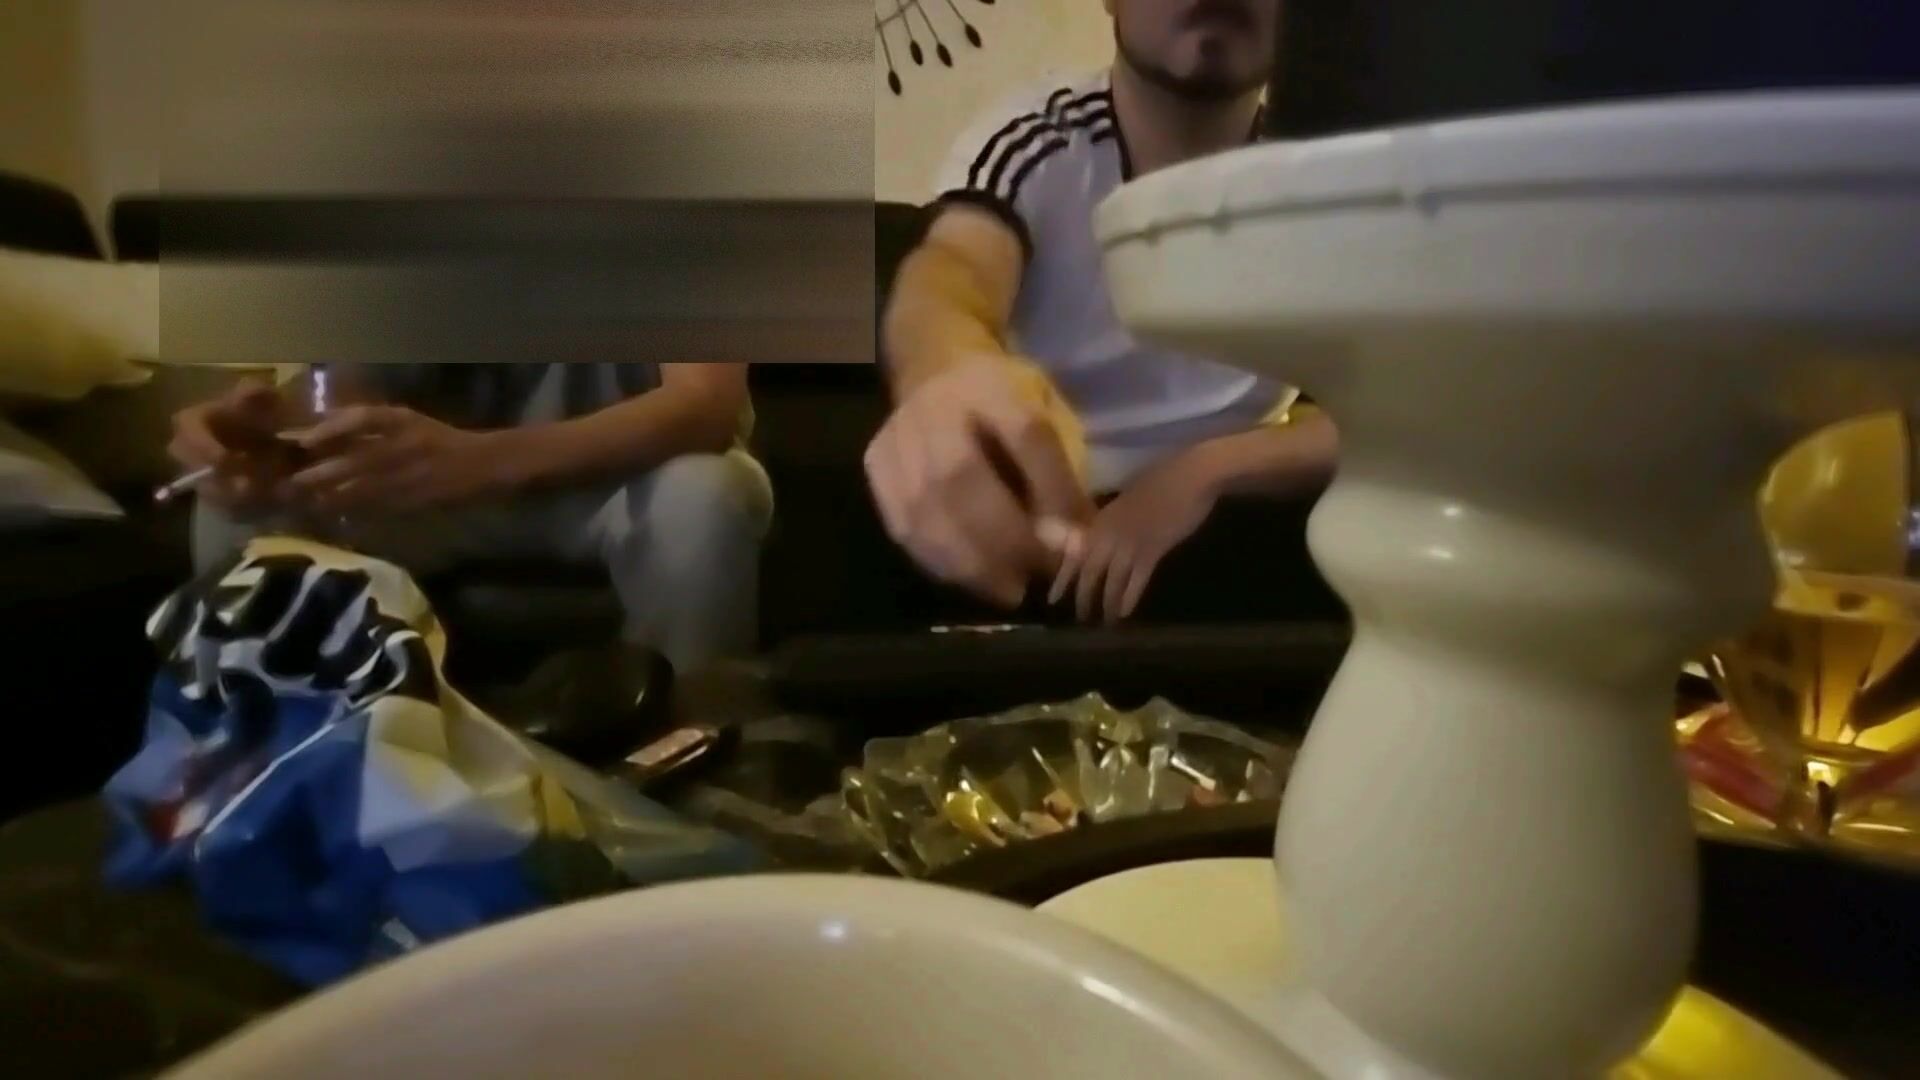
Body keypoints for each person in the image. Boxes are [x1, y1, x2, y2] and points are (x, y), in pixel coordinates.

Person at [868, 0, 1339, 625]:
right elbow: (954, 271)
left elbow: (1413, 411)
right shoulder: (1036, 140)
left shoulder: (1327, 175)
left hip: (1263, 535)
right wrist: (941, 372)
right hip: (1060, 547)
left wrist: (1203, 471)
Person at [167, 363, 773, 670]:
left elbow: (705, 404)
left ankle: (686, 775)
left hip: (623, 481)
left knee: (705, 497)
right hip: (440, 491)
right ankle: (265, 776)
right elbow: (345, 391)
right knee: (238, 511)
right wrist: (266, 437)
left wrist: (483, 461)